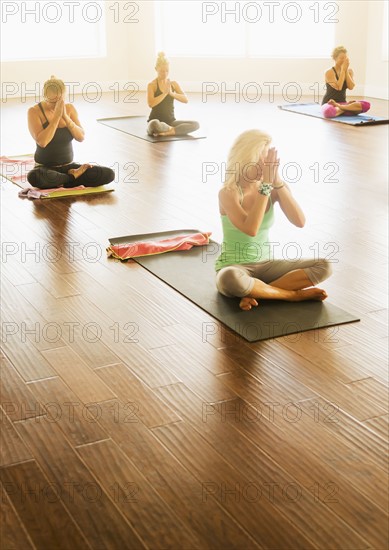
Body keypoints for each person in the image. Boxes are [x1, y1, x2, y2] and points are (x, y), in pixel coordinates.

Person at [215, 129, 333, 311]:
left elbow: (299, 221)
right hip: (236, 267)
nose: (264, 167)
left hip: (267, 265)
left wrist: (277, 182)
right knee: (229, 278)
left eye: (268, 162)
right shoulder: (228, 193)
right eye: (260, 161)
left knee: (324, 265)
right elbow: (251, 229)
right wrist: (266, 186)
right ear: (244, 161)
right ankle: (290, 295)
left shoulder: (274, 187)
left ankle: (256, 293)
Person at [27, 76, 115, 189]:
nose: (56, 105)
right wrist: (56, 118)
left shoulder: (69, 109)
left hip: (70, 167)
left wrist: (66, 117)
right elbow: (42, 142)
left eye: (60, 101)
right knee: (35, 177)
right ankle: (71, 179)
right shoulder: (34, 111)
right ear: (45, 97)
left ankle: (66, 178)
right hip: (45, 169)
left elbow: (81, 137)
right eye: (53, 101)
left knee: (108, 174)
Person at [147, 52, 200, 137]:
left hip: (170, 122)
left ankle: (169, 132)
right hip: (156, 121)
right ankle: (171, 130)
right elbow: (151, 103)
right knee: (154, 124)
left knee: (196, 124)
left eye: (167, 70)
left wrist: (171, 93)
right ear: (156, 69)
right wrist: (164, 93)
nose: (164, 73)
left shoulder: (173, 84)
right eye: (162, 71)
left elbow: (185, 100)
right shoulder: (152, 85)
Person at [321, 46, 371, 118]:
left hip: (342, 103)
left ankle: (341, 108)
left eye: (345, 58)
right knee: (328, 112)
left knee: (366, 105)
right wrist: (343, 70)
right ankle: (347, 109)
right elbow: (339, 87)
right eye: (341, 58)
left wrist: (346, 71)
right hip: (329, 103)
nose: (344, 60)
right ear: (334, 58)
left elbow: (351, 87)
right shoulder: (329, 72)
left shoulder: (349, 71)